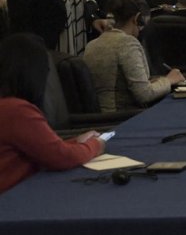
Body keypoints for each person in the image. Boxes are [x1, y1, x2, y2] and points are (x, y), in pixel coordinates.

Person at [0, 33, 106, 194]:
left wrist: (76, 142)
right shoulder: (16, 111)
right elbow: (62, 158)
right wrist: (95, 145)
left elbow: (41, 149)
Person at [82, 0, 184, 112]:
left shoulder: (92, 44)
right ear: (137, 18)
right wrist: (169, 80)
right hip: (124, 116)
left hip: (104, 116)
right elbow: (144, 94)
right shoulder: (127, 44)